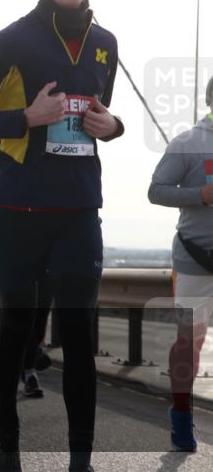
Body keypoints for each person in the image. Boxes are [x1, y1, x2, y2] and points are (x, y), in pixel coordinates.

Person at [0, 0, 123, 472]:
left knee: (78, 334)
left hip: (78, 213)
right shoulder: (12, 41)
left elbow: (100, 118)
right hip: (20, 212)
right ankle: (6, 430)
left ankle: (80, 458)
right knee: (19, 328)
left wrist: (113, 126)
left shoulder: (106, 43)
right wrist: (25, 119)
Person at [148, 75, 213, 453]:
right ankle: (181, 415)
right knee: (190, 342)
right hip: (194, 261)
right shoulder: (187, 142)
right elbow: (156, 191)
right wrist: (199, 196)